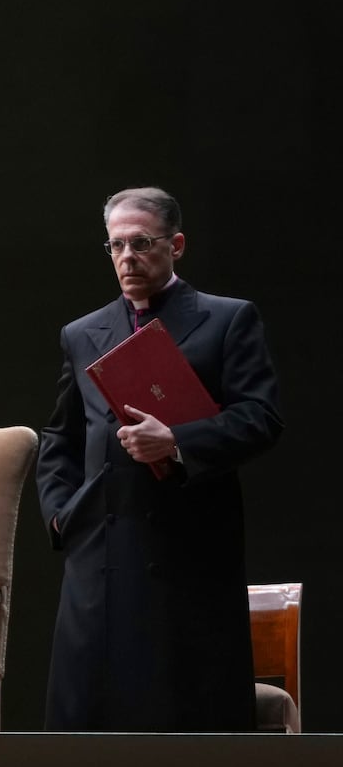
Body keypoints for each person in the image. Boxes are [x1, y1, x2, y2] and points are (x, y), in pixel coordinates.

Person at [36, 186, 283, 731]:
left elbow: (260, 418)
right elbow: (60, 437)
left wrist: (176, 442)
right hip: (100, 551)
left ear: (176, 245)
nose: (127, 257)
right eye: (116, 246)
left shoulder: (227, 320)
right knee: (89, 728)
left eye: (142, 243)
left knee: (185, 721)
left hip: (188, 552)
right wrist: (61, 513)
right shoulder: (83, 333)